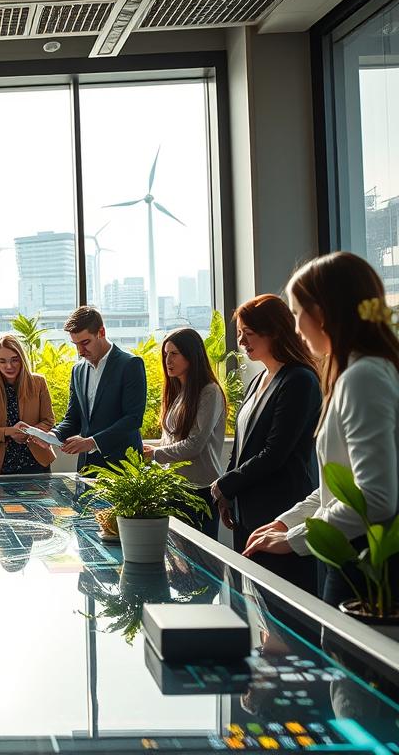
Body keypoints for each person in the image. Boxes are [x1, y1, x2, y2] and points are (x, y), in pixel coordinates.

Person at [243, 252, 399, 608]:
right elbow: (336, 487)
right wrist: (286, 523)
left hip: (365, 569)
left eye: (298, 314)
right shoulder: (360, 372)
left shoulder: (363, 377)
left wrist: (296, 538)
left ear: (324, 313)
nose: (296, 328)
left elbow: (374, 498)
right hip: (353, 557)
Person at [211, 295, 321, 593]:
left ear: (273, 330)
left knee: (284, 604)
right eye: (239, 334)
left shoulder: (299, 380)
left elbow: (275, 452)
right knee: (254, 599)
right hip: (247, 508)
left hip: (281, 509)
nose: (242, 341)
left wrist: (227, 484)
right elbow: (242, 445)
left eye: (249, 333)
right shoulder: (258, 379)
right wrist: (227, 493)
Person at [144, 327, 226, 538]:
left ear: (191, 355)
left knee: (200, 560)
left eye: (174, 354)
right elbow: (170, 439)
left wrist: (155, 454)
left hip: (199, 490)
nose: (167, 360)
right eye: (165, 354)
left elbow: (195, 444)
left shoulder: (209, 392)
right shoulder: (178, 392)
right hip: (174, 487)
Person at [47, 306, 147, 470]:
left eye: (85, 343)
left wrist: (92, 442)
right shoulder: (77, 370)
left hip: (122, 467)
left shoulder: (131, 364)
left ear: (101, 332)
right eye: (76, 344)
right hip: (87, 467)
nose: (80, 351)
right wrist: (52, 435)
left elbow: (133, 419)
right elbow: (73, 419)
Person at [0, 333, 55, 476]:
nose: (9, 366)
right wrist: (10, 432)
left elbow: (48, 420)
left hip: (36, 463)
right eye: (2, 361)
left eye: (14, 360)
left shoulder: (38, 383)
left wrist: (28, 432)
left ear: (22, 360)